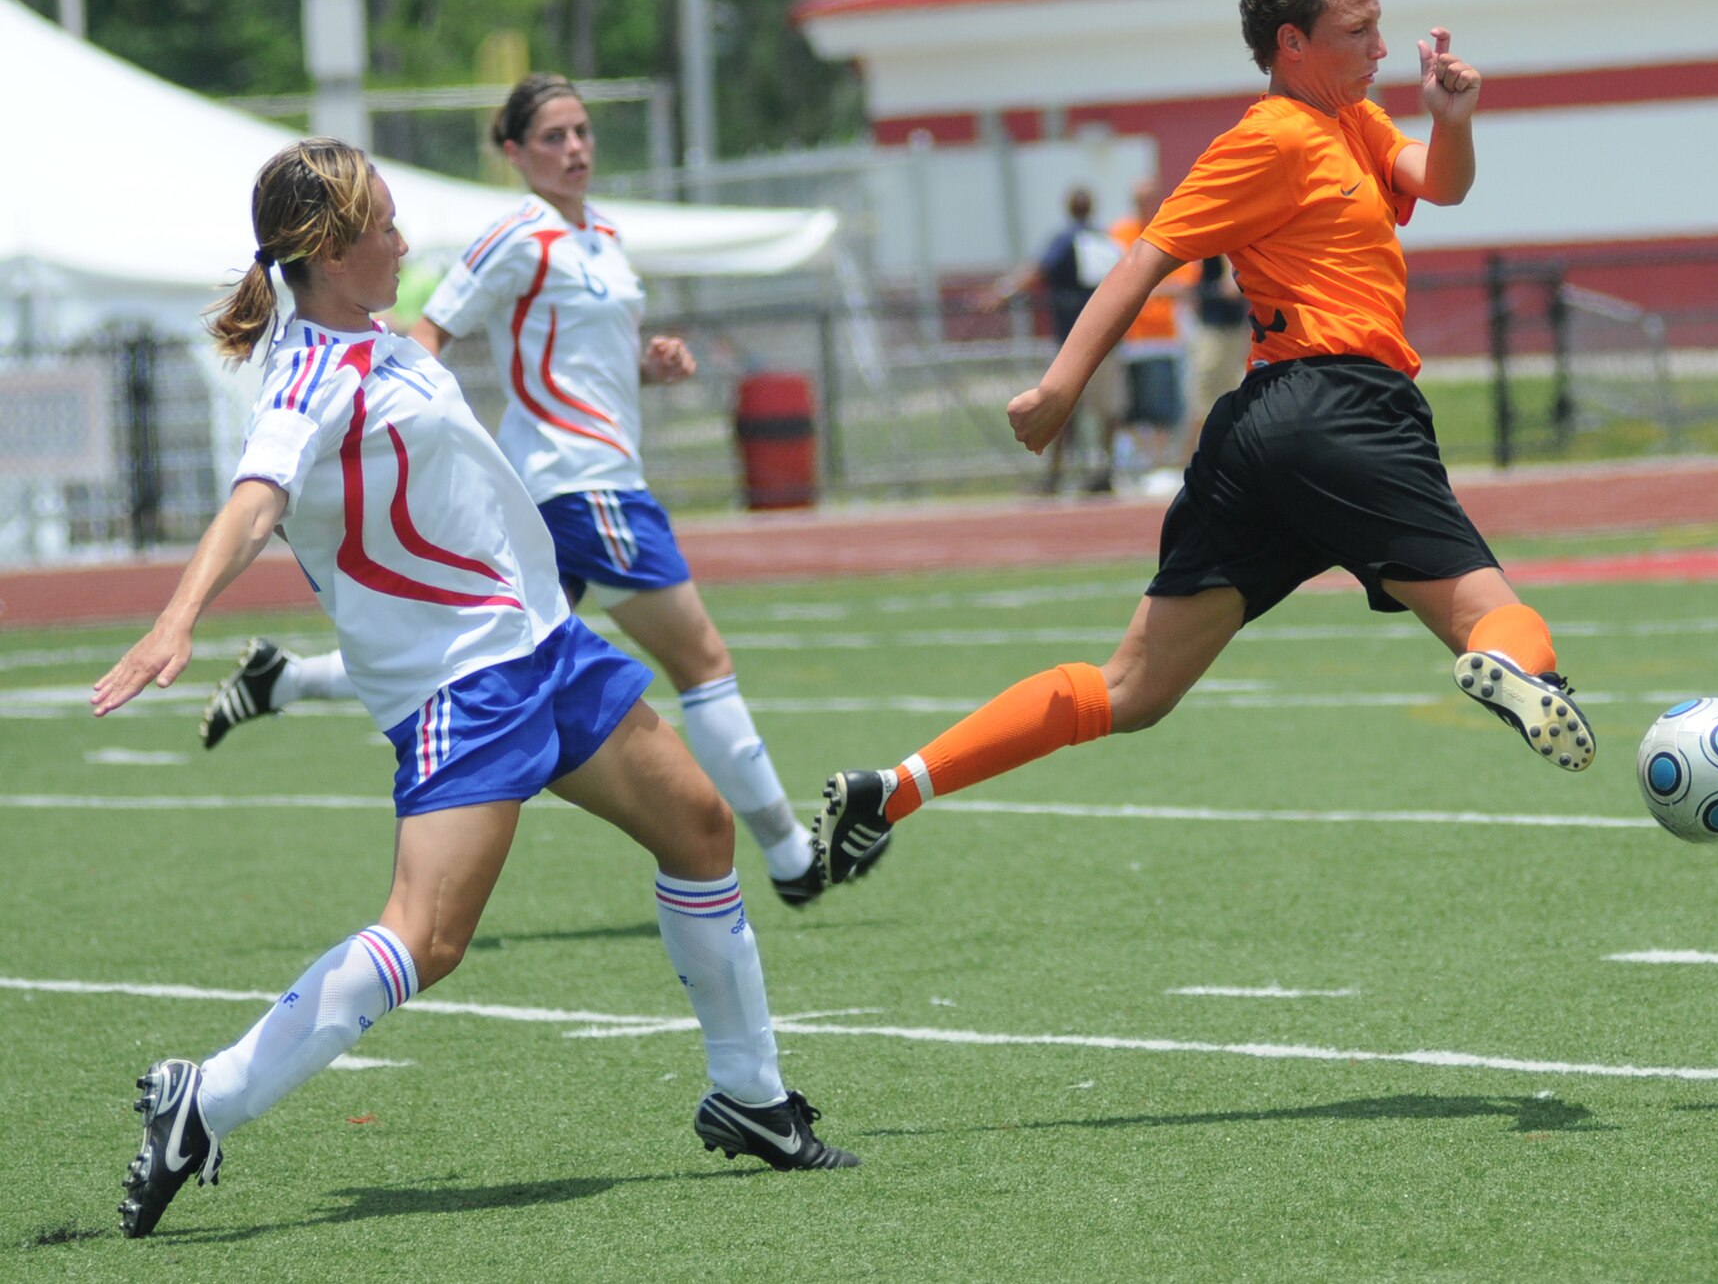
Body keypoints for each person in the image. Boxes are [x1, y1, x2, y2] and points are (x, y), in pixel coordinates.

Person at [97, 140, 856, 1240]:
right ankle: (202, 1100)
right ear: (329, 251)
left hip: (543, 645)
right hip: (464, 684)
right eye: (385, 228)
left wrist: (619, 366)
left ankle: (750, 1095)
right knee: (428, 937)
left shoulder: (377, 339)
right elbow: (256, 496)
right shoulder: (309, 373)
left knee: (698, 826)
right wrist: (179, 614)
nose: (404, 243)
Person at [816, 0, 1595, 882]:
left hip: (1267, 436)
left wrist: (1453, 119)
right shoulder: (1269, 137)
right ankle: (1519, 670)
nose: (1382, 47)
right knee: (1493, 614)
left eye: (1379, 24)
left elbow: (1443, 183)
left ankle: (891, 789)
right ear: (1291, 43)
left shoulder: (1354, 119)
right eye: (1358, 30)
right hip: (1344, 410)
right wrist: (1061, 386)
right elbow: (1147, 257)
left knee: (1131, 689)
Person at [196, 73, 884, 908]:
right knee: (701, 659)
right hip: (579, 482)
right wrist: (400, 451)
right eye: (554, 136)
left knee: (501, 637)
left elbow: (577, 359)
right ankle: (789, 855)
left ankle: (286, 679)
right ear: (515, 152)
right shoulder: (517, 234)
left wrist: (645, 367)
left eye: (583, 131)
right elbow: (425, 335)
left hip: (577, 483)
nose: (576, 148)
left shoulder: (604, 235)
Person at [981, 186, 1124, 493]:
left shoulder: (1066, 239)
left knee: (1061, 409)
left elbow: (1038, 270)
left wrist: (1002, 293)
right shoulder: (1106, 240)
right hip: (1107, 338)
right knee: (1106, 410)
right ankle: (1104, 470)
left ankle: (1055, 475)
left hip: (1073, 341)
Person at [1107, 178, 1199, 485]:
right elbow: (1114, 277)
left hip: (1163, 337)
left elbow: (1183, 284)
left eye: (1147, 199)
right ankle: (1140, 463)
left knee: (1161, 404)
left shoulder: (1170, 230)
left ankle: (1159, 463)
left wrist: (1143, 288)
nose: (1142, 205)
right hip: (1130, 336)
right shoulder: (1121, 232)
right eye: (1138, 200)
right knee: (1132, 405)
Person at [1181, 254, 1250, 465]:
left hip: (1224, 328)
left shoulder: (1227, 246)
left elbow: (1231, 287)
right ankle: (1192, 458)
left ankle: (1195, 458)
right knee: (1206, 395)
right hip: (1217, 327)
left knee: (1213, 394)